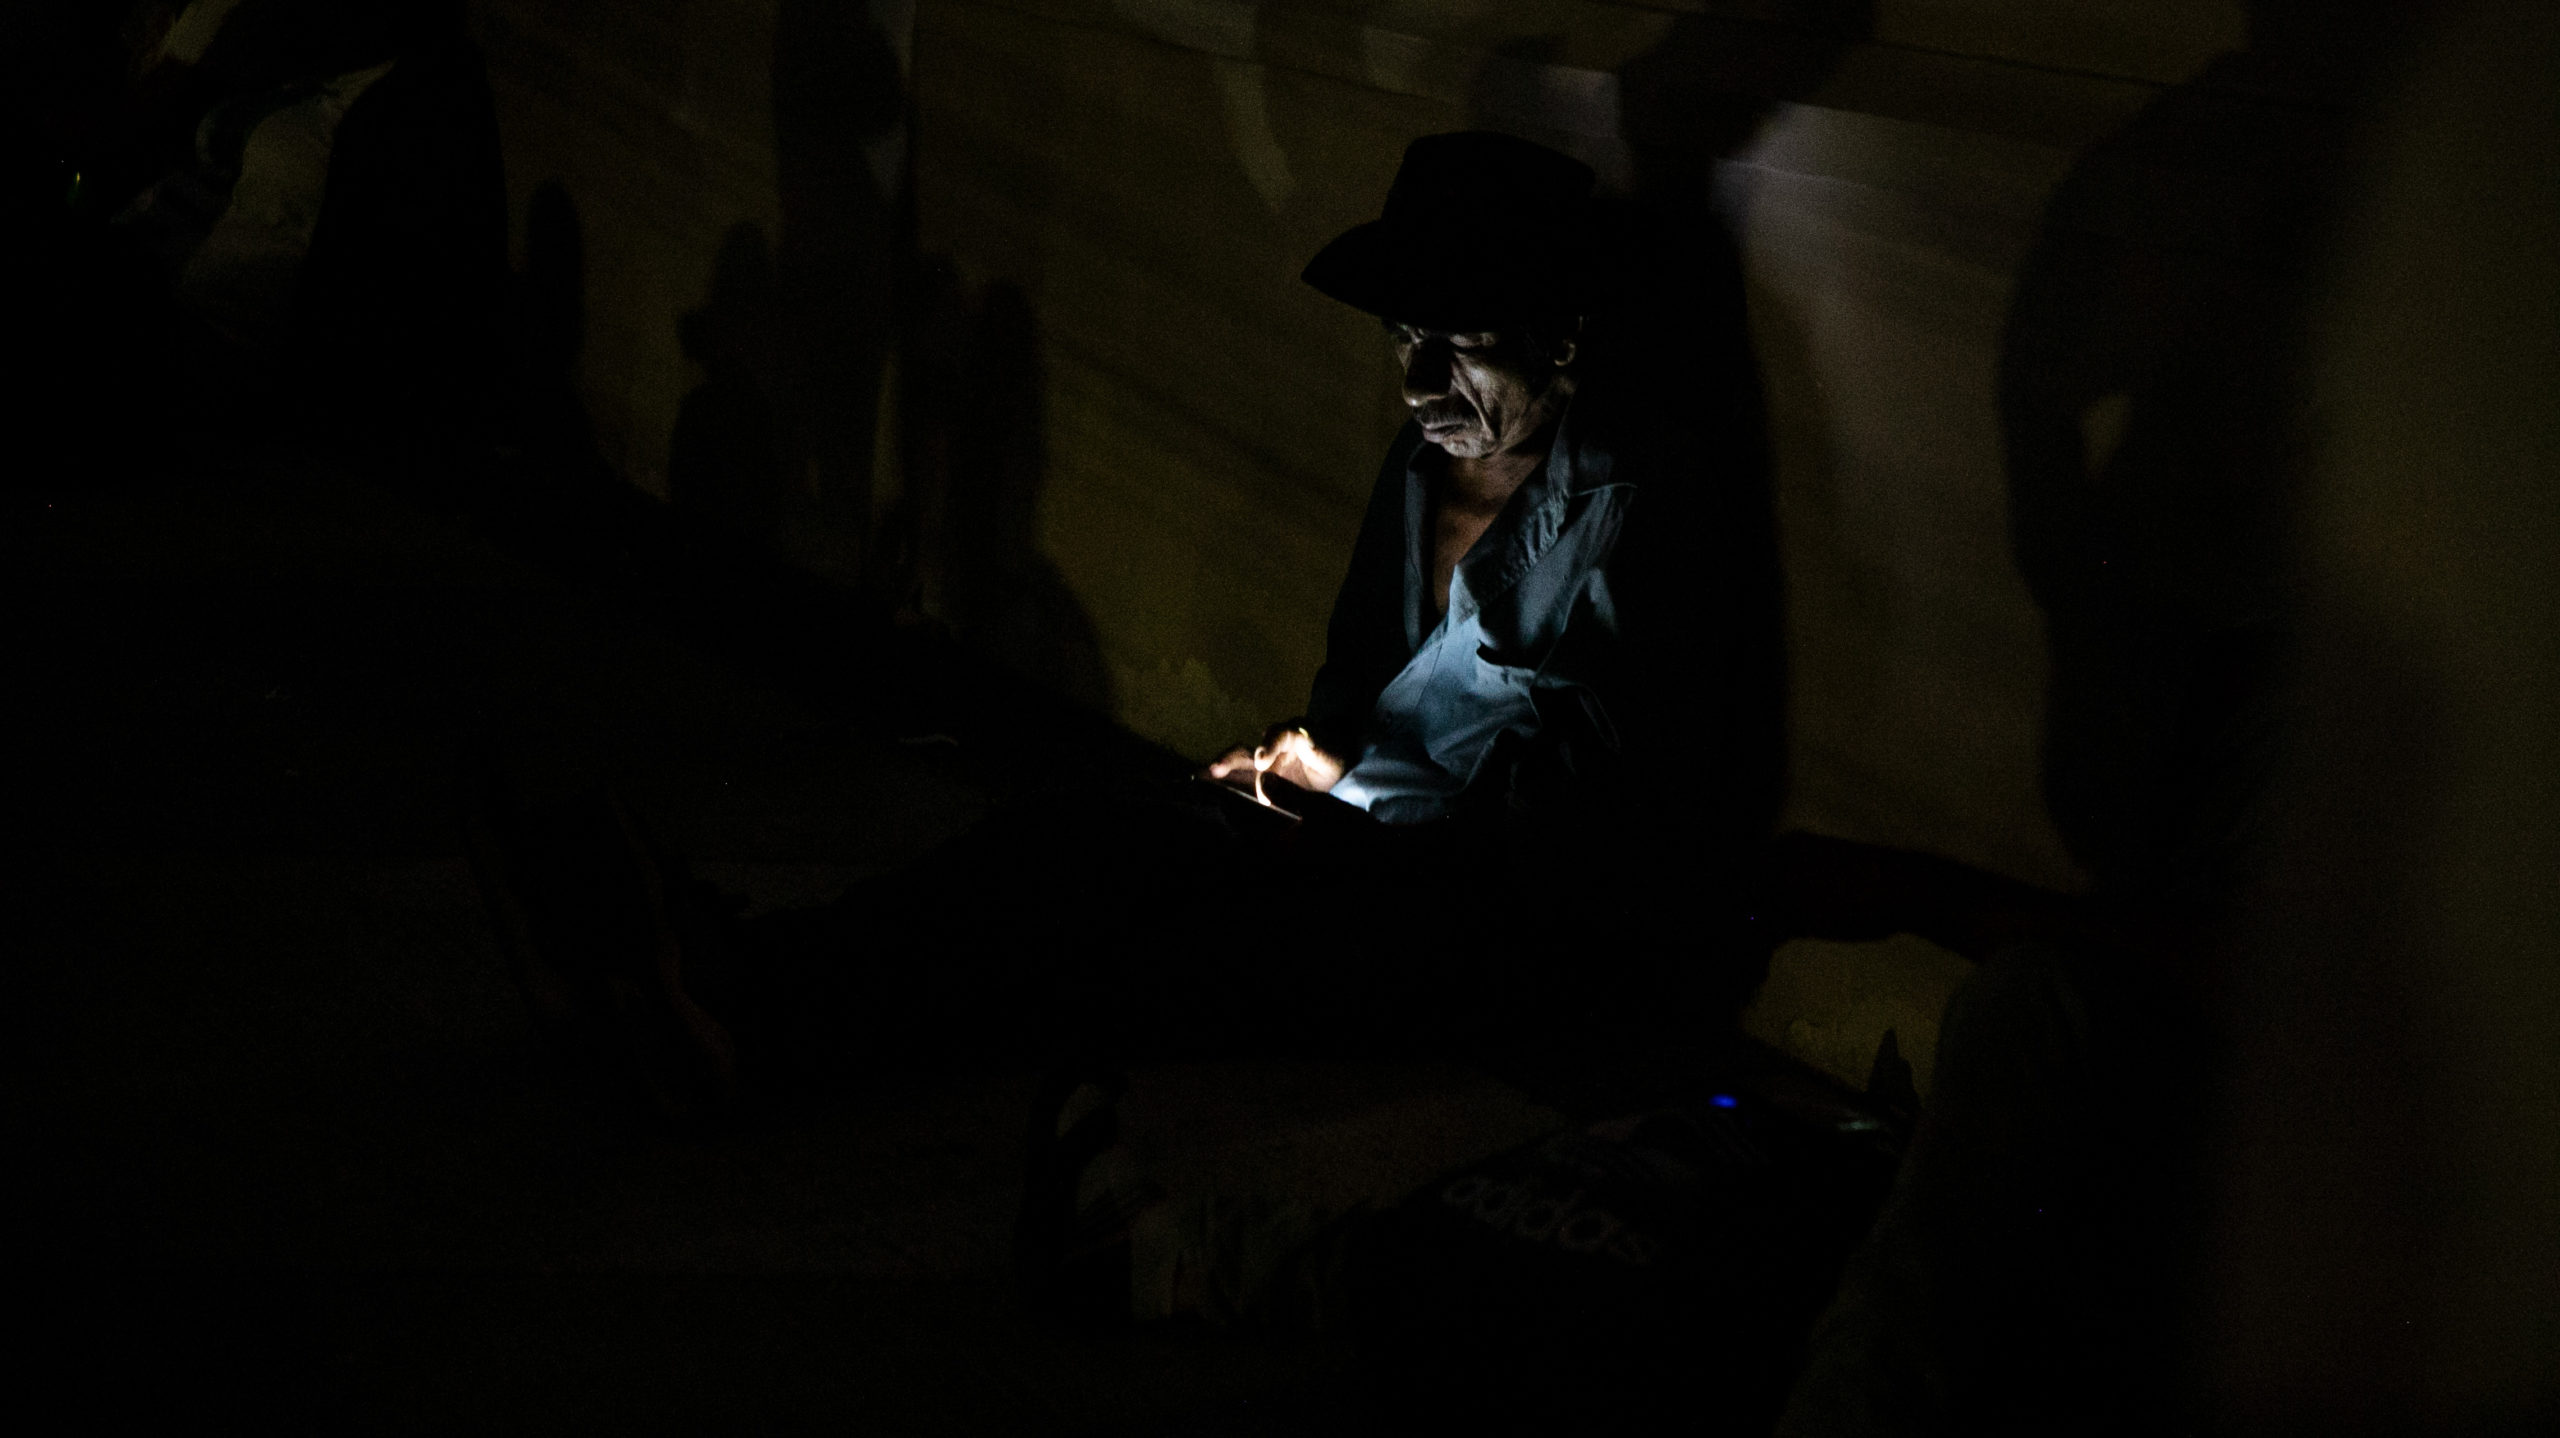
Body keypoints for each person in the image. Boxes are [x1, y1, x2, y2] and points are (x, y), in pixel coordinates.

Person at [471, 129, 1783, 1147]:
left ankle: (750, 1000)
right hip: (1364, 856)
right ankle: (743, 981)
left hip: (1480, 933)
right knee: (1083, 845)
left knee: (1123, 937)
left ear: (1562, 337)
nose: (1422, 384)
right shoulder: (1422, 465)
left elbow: (1623, 823)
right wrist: (1300, 767)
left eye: (1461, 347)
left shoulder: (1633, 508)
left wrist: (1374, 820)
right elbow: (1355, 703)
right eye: (1404, 343)